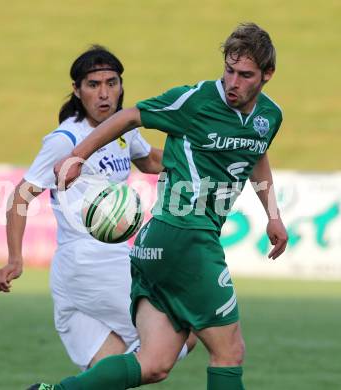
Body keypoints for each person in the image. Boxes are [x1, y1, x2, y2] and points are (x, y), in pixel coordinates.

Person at [31, 23, 288, 390]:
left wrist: (273, 216)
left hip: (157, 246)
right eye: (229, 71)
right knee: (229, 352)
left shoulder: (269, 117)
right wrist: (76, 156)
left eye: (245, 75)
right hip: (188, 236)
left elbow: (255, 155)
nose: (233, 82)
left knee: (153, 363)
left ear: (267, 75)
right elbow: (130, 115)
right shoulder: (195, 100)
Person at [0, 45, 196, 373]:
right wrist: (15, 258)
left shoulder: (121, 129)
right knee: (178, 338)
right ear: (77, 90)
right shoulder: (65, 139)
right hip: (87, 263)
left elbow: (149, 160)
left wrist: (200, 160)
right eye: (93, 84)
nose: (104, 93)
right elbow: (20, 196)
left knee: (109, 371)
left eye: (111, 83)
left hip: (109, 262)